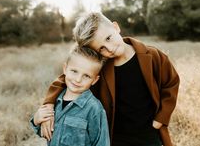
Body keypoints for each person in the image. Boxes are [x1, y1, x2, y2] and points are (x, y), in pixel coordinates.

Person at [41, 12, 180, 146]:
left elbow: (171, 83)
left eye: (108, 38)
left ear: (115, 27)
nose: (109, 49)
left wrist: (161, 118)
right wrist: (48, 104)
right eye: (101, 48)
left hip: (149, 134)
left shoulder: (152, 56)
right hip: (115, 137)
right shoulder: (100, 66)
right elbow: (65, 79)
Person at [30, 44, 110, 146]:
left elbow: (102, 142)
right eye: (74, 71)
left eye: (86, 76)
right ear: (65, 69)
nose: (78, 79)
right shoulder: (54, 101)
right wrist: (36, 120)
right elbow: (46, 133)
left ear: (94, 80)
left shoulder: (94, 109)